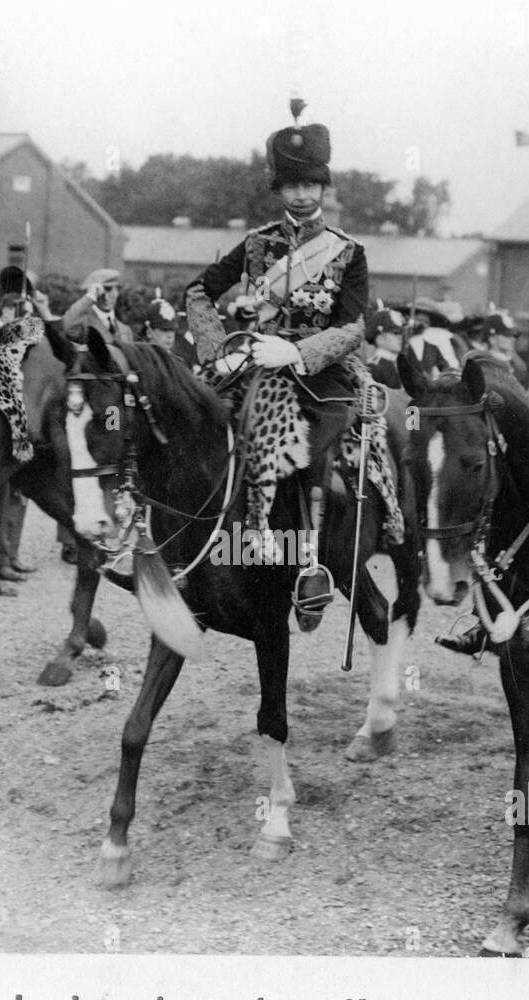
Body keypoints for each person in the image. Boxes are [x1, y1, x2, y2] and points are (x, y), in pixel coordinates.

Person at [183, 101, 379, 627]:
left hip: (321, 372)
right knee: (193, 426)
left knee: (316, 455)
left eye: (309, 185)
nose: (300, 194)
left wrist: (297, 351)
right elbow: (198, 291)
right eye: (291, 186)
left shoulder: (347, 252)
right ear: (279, 189)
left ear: (323, 188)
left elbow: (353, 326)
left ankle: (309, 564)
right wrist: (217, 350)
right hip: (251, 362)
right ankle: (199, 554)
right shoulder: (256, 244)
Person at [63, 268, 133, 345]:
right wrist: (90, 297)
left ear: (117, 292)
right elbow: (67, 327)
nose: (106, 297)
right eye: (101, 292)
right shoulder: (83, 325)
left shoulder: (126, 330)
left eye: (110, 290)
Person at [364, 307, 406, 389]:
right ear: (380, 339)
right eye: (395, 333)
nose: (400, 337)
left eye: (401, 333)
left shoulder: (394, 364)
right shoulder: (375, 367)